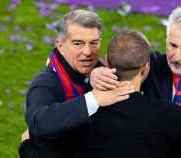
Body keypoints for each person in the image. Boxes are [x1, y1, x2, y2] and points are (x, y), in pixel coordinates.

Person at [90, 3, 181, 158]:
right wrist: (97, 72)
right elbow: (120, 62)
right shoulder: (150, 63)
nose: (176, 55)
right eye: (172, 45)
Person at [19, 10, 134, 158]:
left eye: (94, 43)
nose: (87, 52)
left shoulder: (100, 71)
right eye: (78, 43)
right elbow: (40, 124)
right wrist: (94, 99)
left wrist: (98, 70)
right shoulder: (45, 83)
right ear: (60, 45)